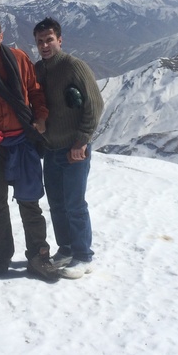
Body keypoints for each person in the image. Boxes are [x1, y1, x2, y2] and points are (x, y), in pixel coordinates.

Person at [0, 14, 59, 282]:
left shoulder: (18, 59)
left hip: (23, 142)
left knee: (30, 202)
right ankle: (2, 255)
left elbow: (36, 91)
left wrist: (40, 117)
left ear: (1, 35)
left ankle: (38, 255)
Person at [33, 17, 104, 279]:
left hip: (74, 149)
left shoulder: (74, 67)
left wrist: (82, 141)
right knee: (57, 204)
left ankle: (84, 256)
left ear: (59, 40)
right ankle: (65, 250)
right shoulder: (39, 70)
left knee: (74, 204)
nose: (44, 45)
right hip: (52, 148)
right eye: (40, 41)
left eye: (49, 40)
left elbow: (95, 105)